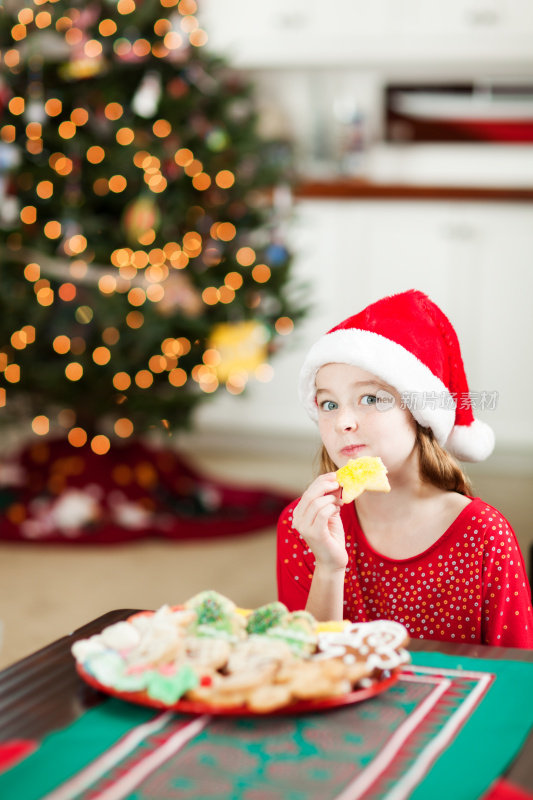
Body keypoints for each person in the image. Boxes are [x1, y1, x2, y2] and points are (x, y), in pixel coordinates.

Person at [277, 289, 533, 648]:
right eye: (329, 404)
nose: (343, 422)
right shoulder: (301, 526)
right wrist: (329, 568)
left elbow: (518, 677)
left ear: (419, 413)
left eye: (371, 399)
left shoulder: (485, 534)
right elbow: (299, 669)